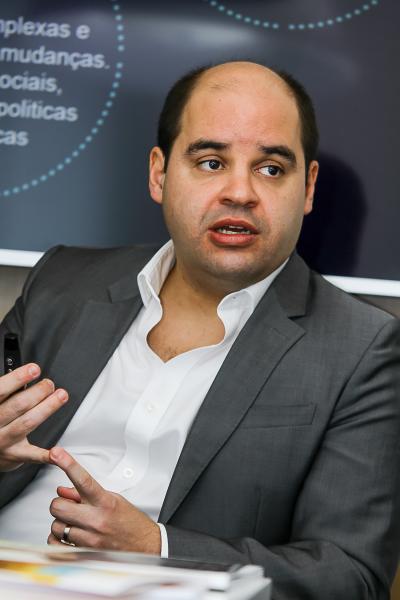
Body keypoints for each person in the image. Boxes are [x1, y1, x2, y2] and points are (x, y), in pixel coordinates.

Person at [0, 61, 399, 599]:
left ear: (308, 188)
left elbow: (351, 576)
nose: (240, 192)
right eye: (211, 162)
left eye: (271, 169)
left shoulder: (364, 350)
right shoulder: (61, 282)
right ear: (159, 174)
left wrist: (157, 549)